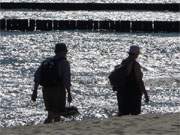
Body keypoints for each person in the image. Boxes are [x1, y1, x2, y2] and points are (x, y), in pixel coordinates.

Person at [31, 43, 72, 123]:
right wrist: (69, 93)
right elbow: (66, 80)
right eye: (65, 51)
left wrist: (35, 91)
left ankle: (47, 127)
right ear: (63, 51)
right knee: (57, 114)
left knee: (50, 113)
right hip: (58, 90)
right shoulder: (64, 62)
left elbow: (37, 77)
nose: (66, 53)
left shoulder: (46, 61)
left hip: (46, 90)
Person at [116, 45, 149, 116]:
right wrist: (145, 94)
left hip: (122, 92)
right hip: (134, 92)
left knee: (123, 114)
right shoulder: (135, 65)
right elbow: (139, 81)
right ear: (136, 54)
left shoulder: (123, 63)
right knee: (135, 114)